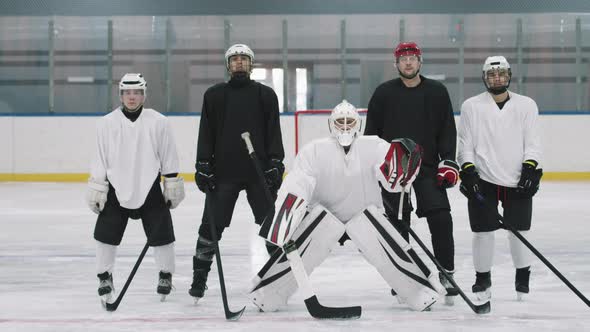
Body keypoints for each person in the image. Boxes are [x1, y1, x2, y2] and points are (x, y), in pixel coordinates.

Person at [249, 100, 445, 313]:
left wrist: (404, 165)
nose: (345, 126)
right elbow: (299, 182)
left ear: (358, 124)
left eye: (349, 121)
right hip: (323, 217)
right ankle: (267, 295)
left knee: (386, 248)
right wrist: (286, 216)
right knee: (303, 248)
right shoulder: (314, 150)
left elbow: (392, 179)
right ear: (331, 124)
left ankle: (420, 293)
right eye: (340, 121)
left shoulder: (374, 145)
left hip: (365, 215)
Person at [364, 41, 460, 304]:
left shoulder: (437, 92)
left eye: (413, 58)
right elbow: (371, 133)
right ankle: (403, 276)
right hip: (393, 168)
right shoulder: (383, 93)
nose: (408, 62)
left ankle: (446, 273)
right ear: (396, 63)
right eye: (403, 58)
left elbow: (447, 130)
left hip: (427, 167)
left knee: (441, 217)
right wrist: (373, 165)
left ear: (420, 62)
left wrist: (449, 162)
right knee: (396, 224)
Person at [190, 43, 285, 302]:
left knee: (272, 227)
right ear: (228, 65)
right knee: (210, 227)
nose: (239, 63)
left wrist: (276, 162)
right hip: (224, 172)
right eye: (235, 60)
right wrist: (203, 165)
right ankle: (199, 280)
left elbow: (274, 132)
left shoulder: (265, 95)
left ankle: (282, 279)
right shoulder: (214, 95)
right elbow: (206, 132)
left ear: (250, 64)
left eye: (244, 59)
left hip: (258, 172)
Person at [87, 73, 185, 304]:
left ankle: (165, 274)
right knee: (105, 234)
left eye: (137, 93)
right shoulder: (107, 123)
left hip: (149, 185)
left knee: (162, 234)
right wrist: (98, 186)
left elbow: (168, 155)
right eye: (127, 93)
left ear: (144, 95)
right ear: (121, 95)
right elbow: (100, 157)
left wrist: (170, 184)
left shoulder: (159, 122)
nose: (132, 97)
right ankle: (104, 276)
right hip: (115, 187)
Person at [457, 55, 543, 301]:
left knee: (520, 231)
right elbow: (465, 145)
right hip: (483, 179)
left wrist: (530, 169)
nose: (497, 78)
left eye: (501, 74)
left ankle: (522, 278)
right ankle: (482, 279)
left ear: (509, 76)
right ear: (485, 78)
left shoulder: (527, 105)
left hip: (518, 180)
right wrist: (469, 171)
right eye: (492, 75)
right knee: (482, 232)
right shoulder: (471, 106)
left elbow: (533, 143)